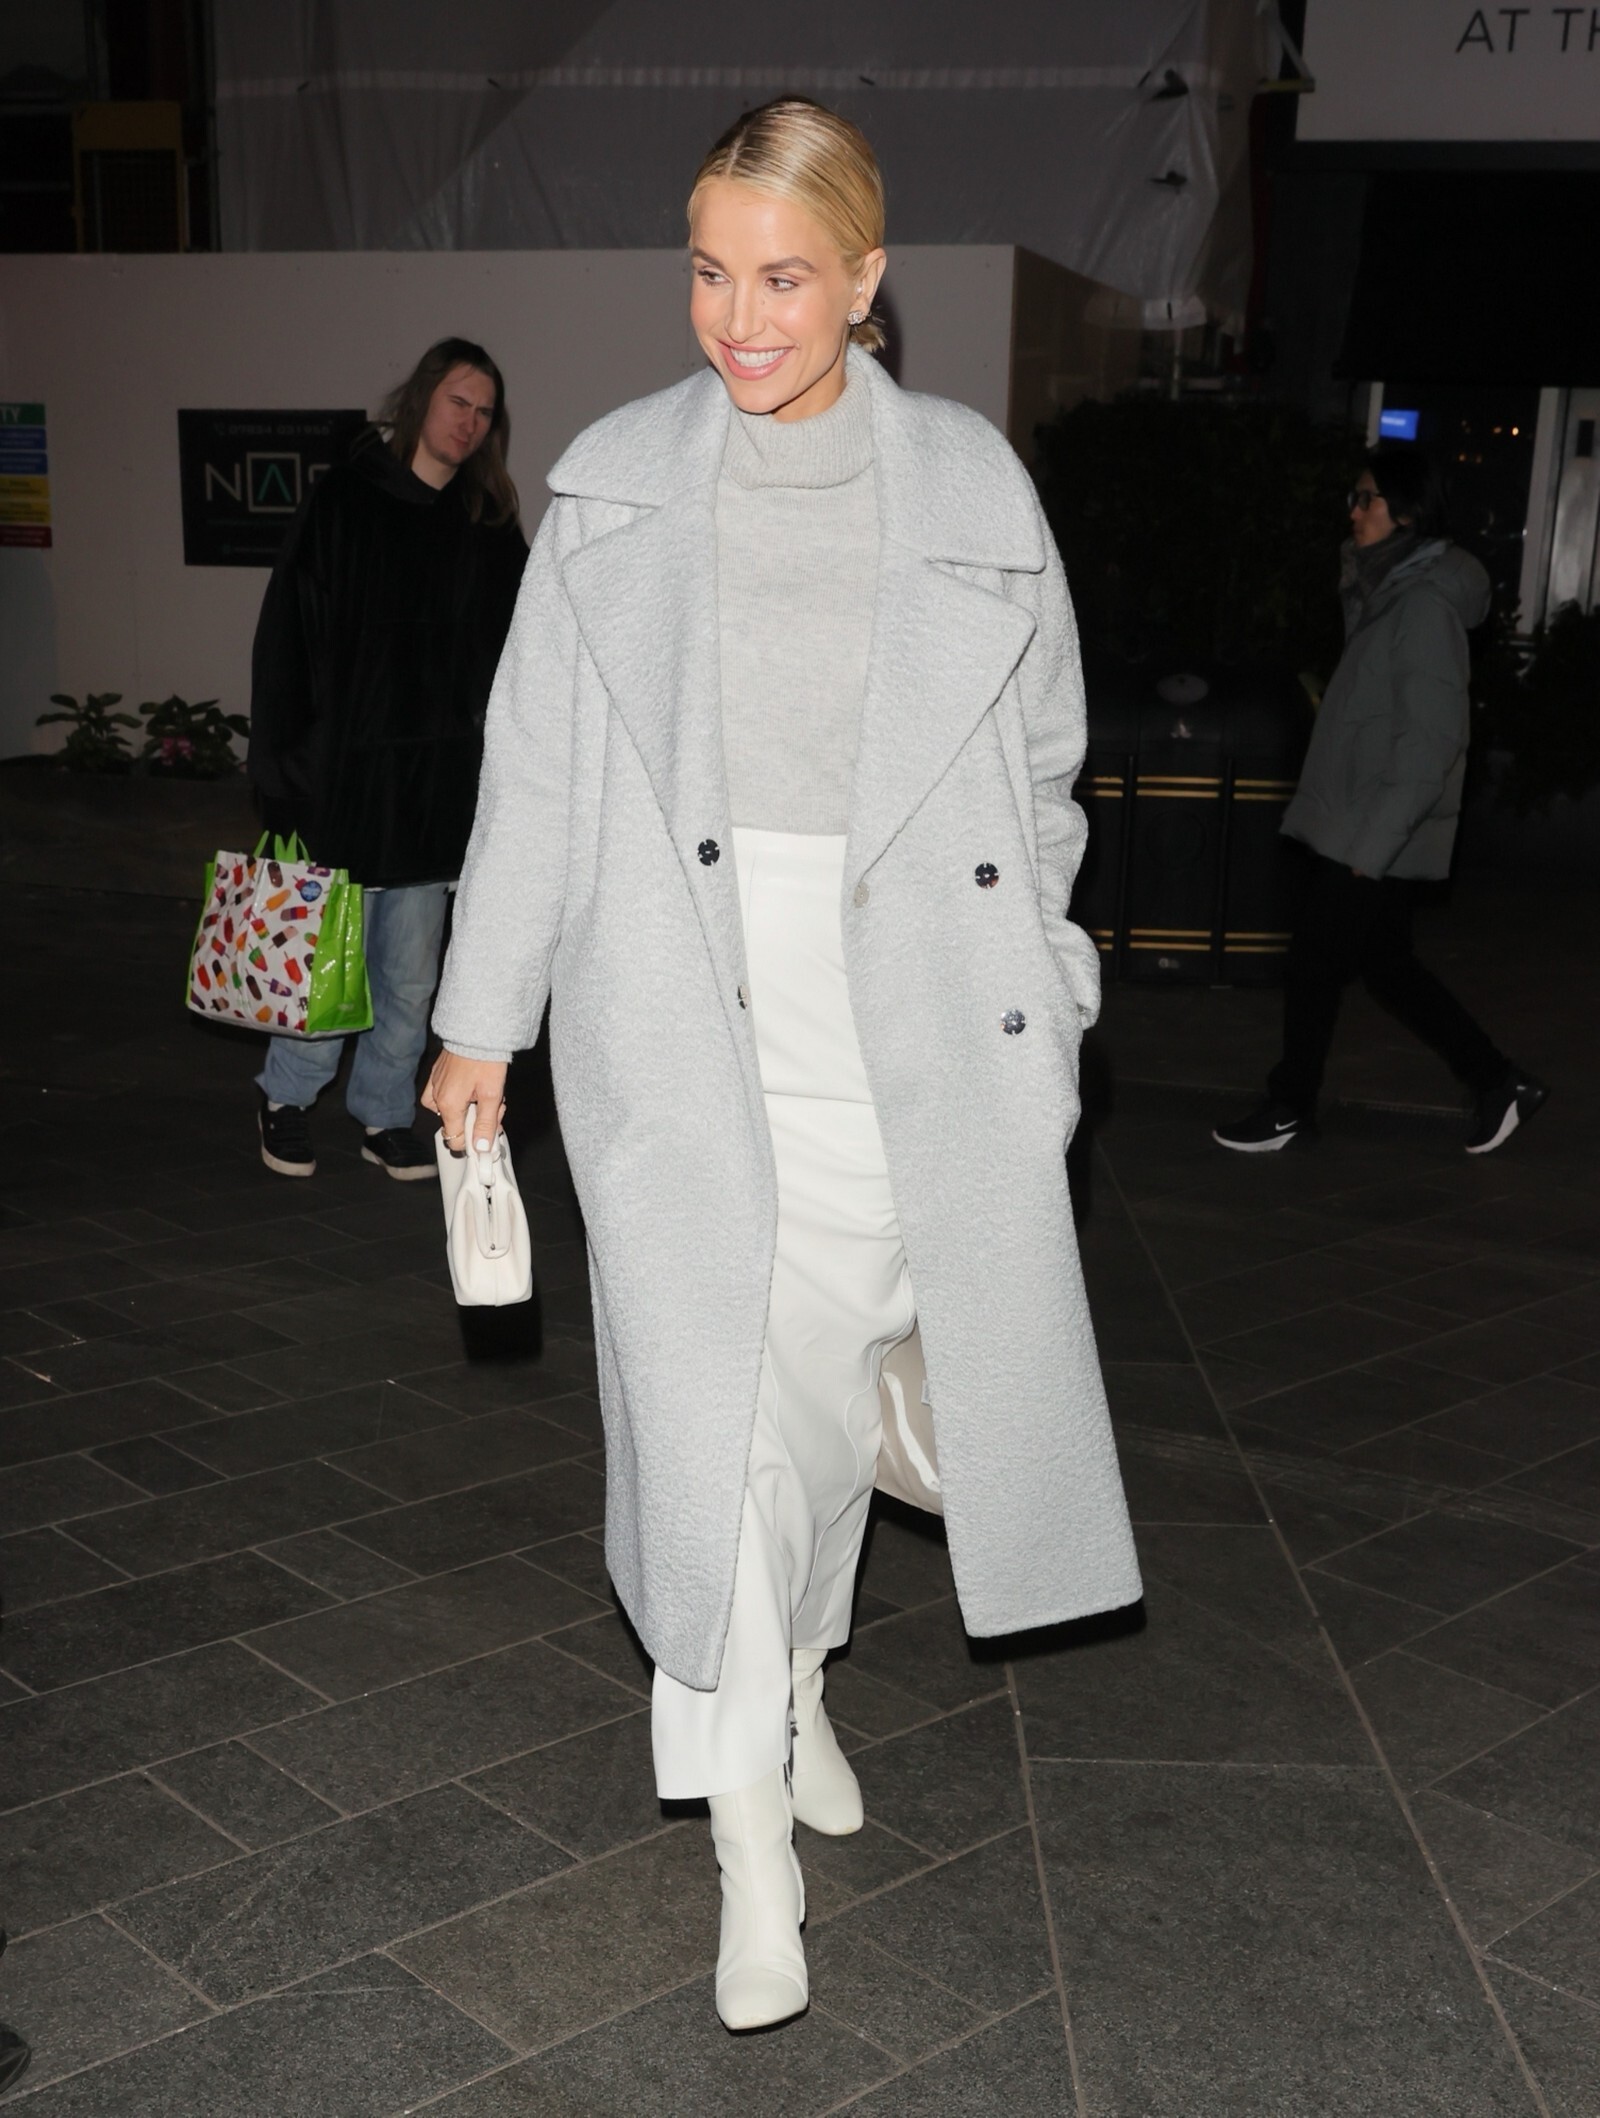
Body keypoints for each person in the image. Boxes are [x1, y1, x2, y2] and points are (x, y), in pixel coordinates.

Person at [425, 99, 1140, 2033]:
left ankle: (806, 1682)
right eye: (710, 272)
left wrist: (1055, 990)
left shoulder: (972, 486)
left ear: (866, 277)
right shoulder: (616, 487)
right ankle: (750, 1845)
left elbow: (1046, 778)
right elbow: (537, 771)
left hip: (904, 1032)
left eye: (785, 277)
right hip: (682, 1017)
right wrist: (481, 1016)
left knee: (820, 1429)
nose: (740, 318)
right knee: (719, 1433)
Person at [1214, 446, 1547, 1156]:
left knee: (1314, 964)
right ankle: (1499, 1082)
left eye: (1368, 498)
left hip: (1371, 830)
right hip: (1359, 820)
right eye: (1354, 498)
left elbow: (1431, 742)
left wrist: (1371, 849)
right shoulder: (1386, 592)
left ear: (1407, 513)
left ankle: (1290, 1105)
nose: (1355, 511)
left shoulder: (1421, 605)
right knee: (1388, 969)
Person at [247, 338, 528, 1180]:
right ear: (421, 400)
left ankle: (383, 1112)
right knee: (324, 959)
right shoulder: (345, 501)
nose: (469, 423)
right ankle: (286, 1099)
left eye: (484, 412)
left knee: (410, 977)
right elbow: (286, 636)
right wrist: (285, 771)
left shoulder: (486, 525)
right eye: (458, 402)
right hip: (347, 781)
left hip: (436, 790)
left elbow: (522, 653)